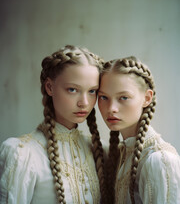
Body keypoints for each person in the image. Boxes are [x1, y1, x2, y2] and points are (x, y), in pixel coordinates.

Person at [0, 45, 107, 204]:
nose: (84, 103)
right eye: (72, 89)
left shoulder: (99, 149)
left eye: (92, 91)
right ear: (50, 87)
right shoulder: (22, 154)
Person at [98, 56, 180, 204]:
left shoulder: (159, 161)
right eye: (103, 97)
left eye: (123, 97)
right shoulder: (119, 155)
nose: (111, 109)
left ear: (147, 98)